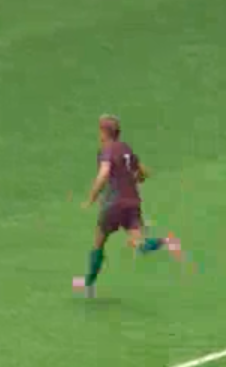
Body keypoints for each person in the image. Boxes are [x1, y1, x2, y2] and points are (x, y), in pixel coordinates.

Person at [73, 114, 181, 297]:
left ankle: (88, 285)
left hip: (113, 204)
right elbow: (143, 173)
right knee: (139, 245)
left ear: (104, 132)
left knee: (99, 242)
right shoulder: (126, 149)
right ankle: (166, 242)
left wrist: (91, 198)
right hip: (132, 203)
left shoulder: (107, 150)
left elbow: (103, 174)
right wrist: (133, 179)